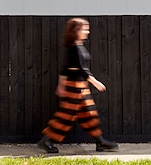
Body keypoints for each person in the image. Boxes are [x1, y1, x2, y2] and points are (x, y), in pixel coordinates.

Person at [37, 17, 118, 153]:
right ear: (76, 31)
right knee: (66, 116)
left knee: (89, 114)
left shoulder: (76, 47)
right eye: (85, 29)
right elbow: (81, 68)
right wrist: (94, 81)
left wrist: (61, 85)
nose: (87, 32)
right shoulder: (75, 48)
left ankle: (100, 142)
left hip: (80, 87)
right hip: (75, 88)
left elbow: (65, 68)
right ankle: (47, 140)